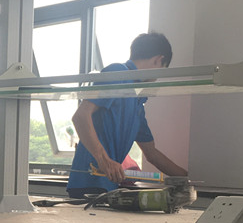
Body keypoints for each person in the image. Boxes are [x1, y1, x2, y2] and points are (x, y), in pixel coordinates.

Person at [66, 32, 188, 198]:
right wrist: (104, 160)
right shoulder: (118, 73)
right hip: (88, 182)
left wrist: (189, 179)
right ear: (158, 60)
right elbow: (80, 116)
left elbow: (151, 153)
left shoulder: (137, 100)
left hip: (110, 185)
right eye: (162, 70)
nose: (157, 78)